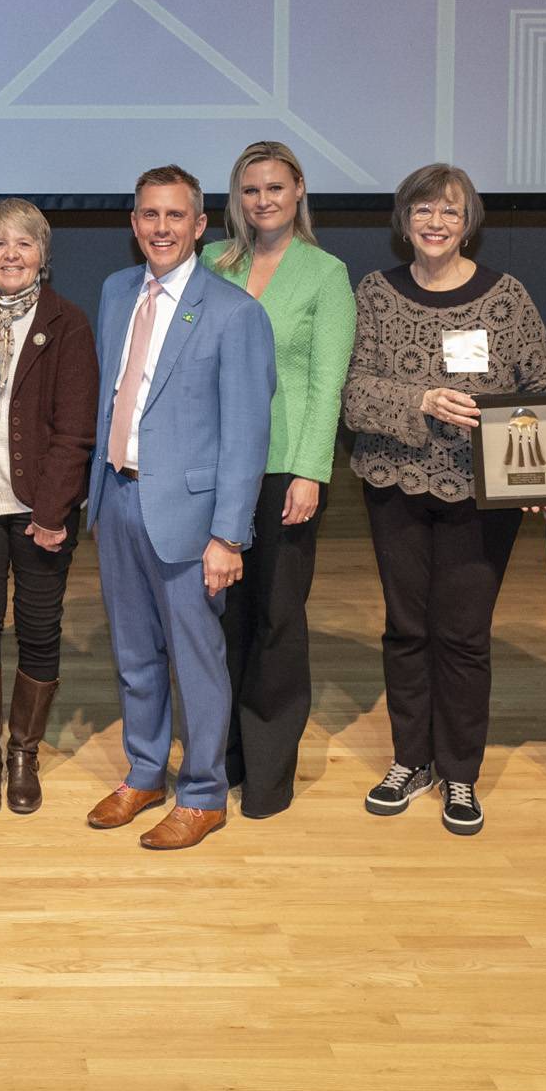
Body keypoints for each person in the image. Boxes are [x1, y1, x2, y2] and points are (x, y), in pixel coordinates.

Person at [338, 162, 546, 836]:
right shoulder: (375, 293)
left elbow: (541, 387)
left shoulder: (506, 297)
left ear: (469, 224)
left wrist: (537, 472)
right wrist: (420, 400)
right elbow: (352, 392)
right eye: (423, 211)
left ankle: (459, 771)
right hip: (394, 484)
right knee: (407, 627)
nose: (435, 223)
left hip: (479, 493)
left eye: (450, 212)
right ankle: (410, 760)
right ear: (404, 222)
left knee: (462, 635)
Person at [84, 165, 278, 851]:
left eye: (174, 216)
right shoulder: (114, 293)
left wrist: (229, 537)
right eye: (147, 215)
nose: (160, 228)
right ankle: (144, 771)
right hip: (119, 499)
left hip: (191, 519)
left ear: (199, 225)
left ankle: (201, 793)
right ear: (133, 223)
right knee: (134, 654)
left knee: (196, 661)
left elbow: (247, 436)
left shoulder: (235, 313)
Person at [203, 139, 354, 819]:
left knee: (276, 619)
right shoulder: (210, 264)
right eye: (250, 190)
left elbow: (327, 385)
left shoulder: (326, 274)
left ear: (298, 191)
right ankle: (221, 755)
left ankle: (267, 772)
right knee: (219, 621)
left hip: (285, 470)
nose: (262, 201)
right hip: (213, 470)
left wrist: (311, 473)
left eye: (274, 188)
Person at [0, 198, 99, 816]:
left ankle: (24, 752)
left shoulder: (68, 322)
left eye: (24, 244)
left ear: (43, 255)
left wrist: (52, 513)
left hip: (40, 505)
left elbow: (75, 430)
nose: (11, 255)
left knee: (38, 626)